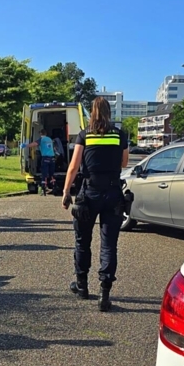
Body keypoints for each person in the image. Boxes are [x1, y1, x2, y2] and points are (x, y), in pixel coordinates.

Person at [61, 96, 130, 311]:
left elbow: (73, 166)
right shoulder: (120, 135)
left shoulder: (85, 135)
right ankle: (105, 293)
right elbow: (124, 162)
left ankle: (82, 286)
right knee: (109, 244)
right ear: (109, 112)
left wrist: (65, 191)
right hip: (113, 193)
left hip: (89, 192)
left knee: (82, 241)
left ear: (92, 112)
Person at [30, 129, 57, 194]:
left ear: (40, 133)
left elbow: (34, 144)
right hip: (52, 158)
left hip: (45, 158)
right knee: (51, 174)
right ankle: (53, 186)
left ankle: (44, 187)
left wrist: (26, 145)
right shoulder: (50, 139)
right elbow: (54, 148)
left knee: (44, 173)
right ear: (46, 133)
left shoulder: (41, 139)